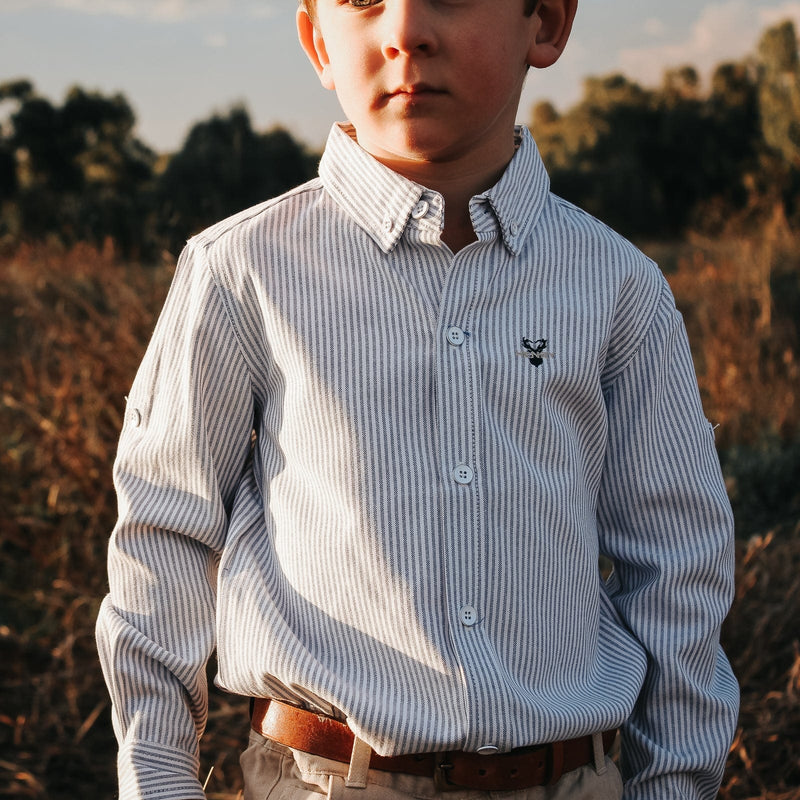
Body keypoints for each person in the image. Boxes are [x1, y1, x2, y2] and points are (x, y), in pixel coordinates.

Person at [96, 1, 740, 798]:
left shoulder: (617, 289)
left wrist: (674, 783)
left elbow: (678, 563)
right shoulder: (242, 271)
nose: (405, 31)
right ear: (315, 42)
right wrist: (158, 780)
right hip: (324, 781)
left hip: (573, 778)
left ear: (545, 23)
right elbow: (164, 536)